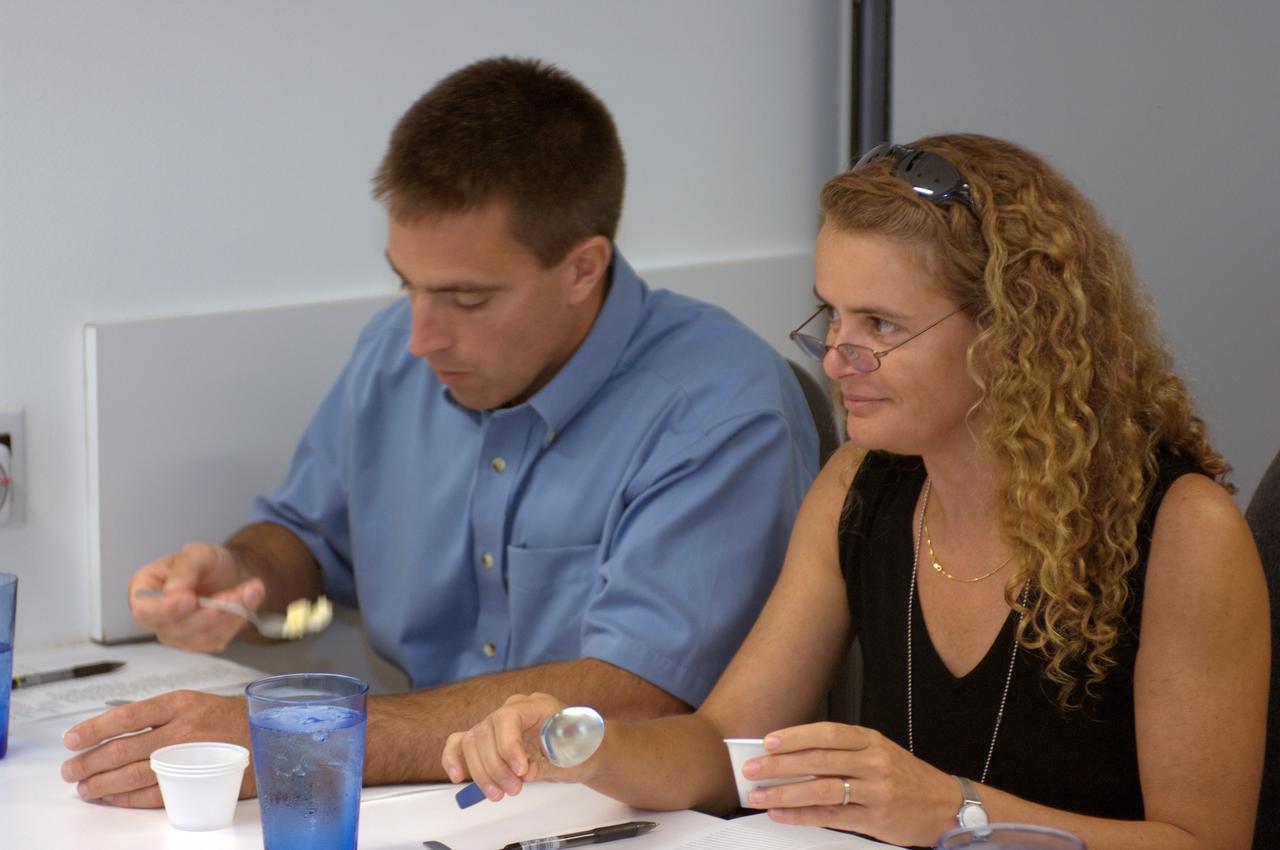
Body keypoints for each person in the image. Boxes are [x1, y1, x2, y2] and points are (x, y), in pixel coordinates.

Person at [443, 134, 1270, 850]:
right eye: (831, 316)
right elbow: (725, 748)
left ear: (1013, 335)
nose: (836, 358)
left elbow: (1207, 842)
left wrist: (956, 813)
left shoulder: (1182, 531)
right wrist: (583, 745)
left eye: (880, 325)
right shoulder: (858, 488)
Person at [58, 57, 819, 807]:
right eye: (407, 284)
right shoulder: (397, 351)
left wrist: (313, 738)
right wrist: (240, 571)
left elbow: (633, 700)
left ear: (584, 268)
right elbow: (312, 541)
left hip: (626, 815)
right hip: (433, 802)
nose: (422, 337)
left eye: (466, 297)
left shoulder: (719, 409)